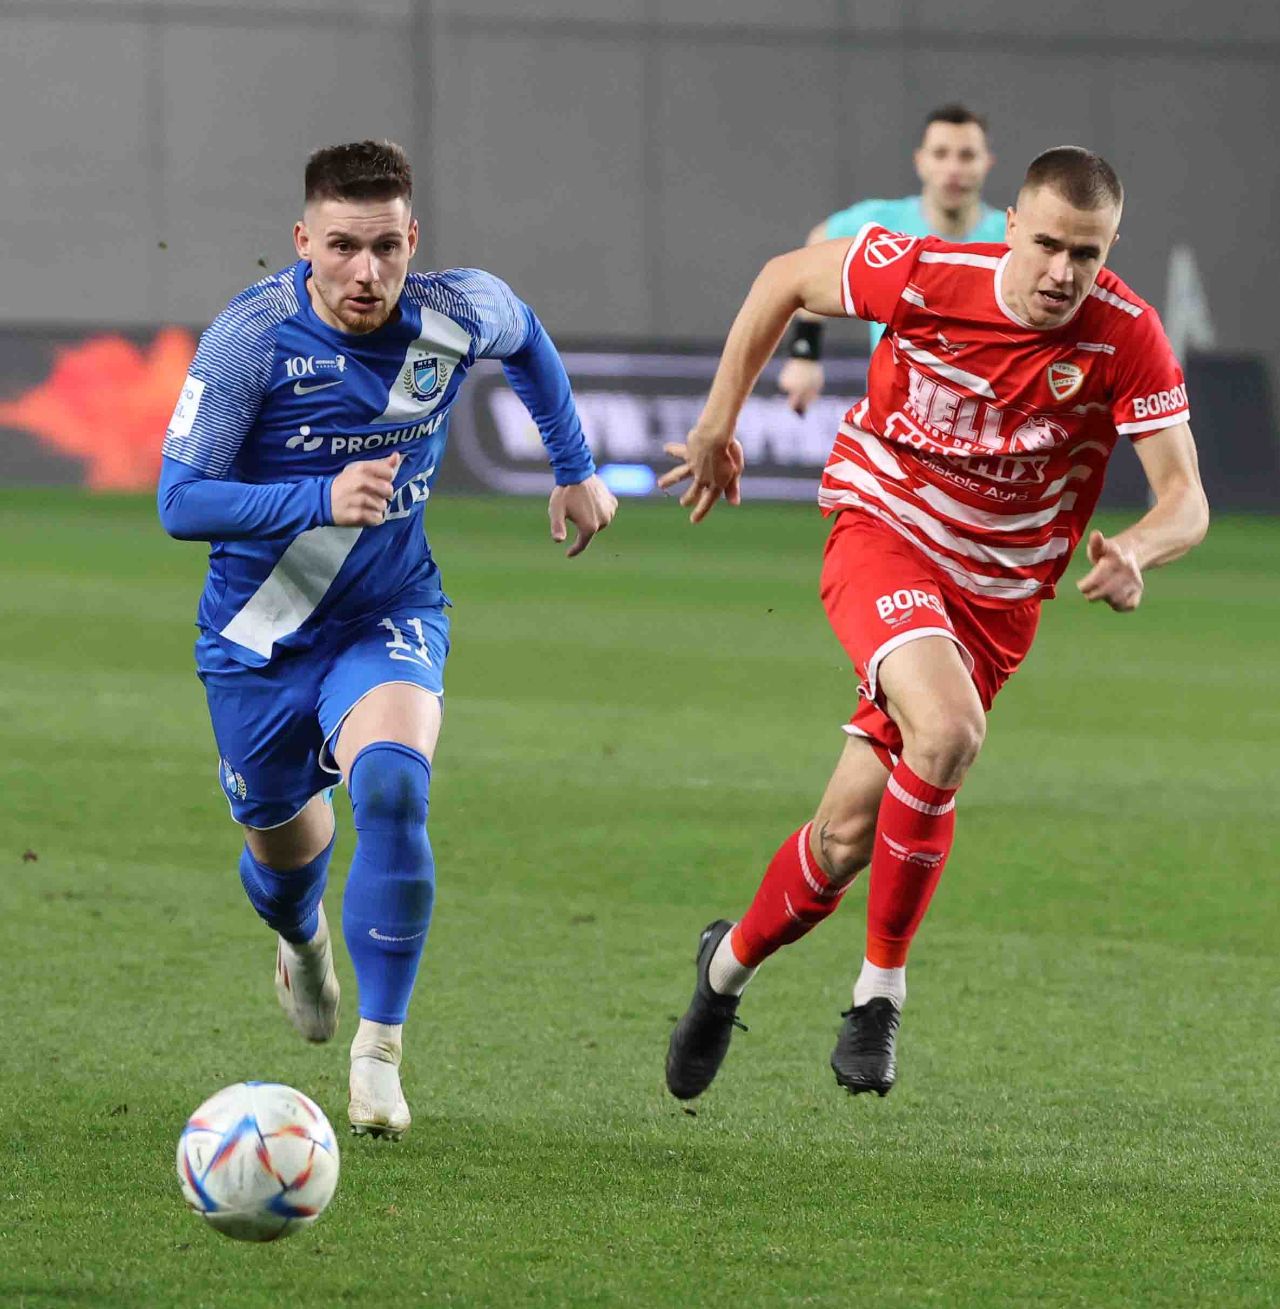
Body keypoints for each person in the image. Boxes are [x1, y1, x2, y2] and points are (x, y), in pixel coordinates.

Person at [660, 146, 1208, 1102]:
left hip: (994, 602)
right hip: (885, 529)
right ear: (1011, 226)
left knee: (842, 839)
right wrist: (717, 424)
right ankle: (880, 993)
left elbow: (1186, 499)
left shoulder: (1127, 335)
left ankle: (725, 968)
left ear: (1111, 249)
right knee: (949, 730)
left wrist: (1137, 549)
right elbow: (784, 278)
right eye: (1047, 244)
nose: (1062, 272)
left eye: (1086, 253)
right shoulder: (924, 272)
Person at [158, 140, 616, 1140]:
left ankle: (379, 1050)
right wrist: (315, 498)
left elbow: (528, 335)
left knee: (396, 788)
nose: (366, 272)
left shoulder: (455, 311)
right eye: (342, 248)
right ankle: (302, 941)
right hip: (259, 636)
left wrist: (573, 466)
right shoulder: (250, 340)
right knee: (286, 858)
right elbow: (179, 501)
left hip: (388, 610)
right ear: (302, 242)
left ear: (414, 238)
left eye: (386, 248)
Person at [779, 104, 1004, 416]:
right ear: (920, 162)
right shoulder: (882, 224)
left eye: (967, 156)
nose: (953, 168)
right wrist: (805, 353)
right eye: (940, 154)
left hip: (984, 418)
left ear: (987, 163)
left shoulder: (1012, 239)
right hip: (895, 417)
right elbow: (817, 246)